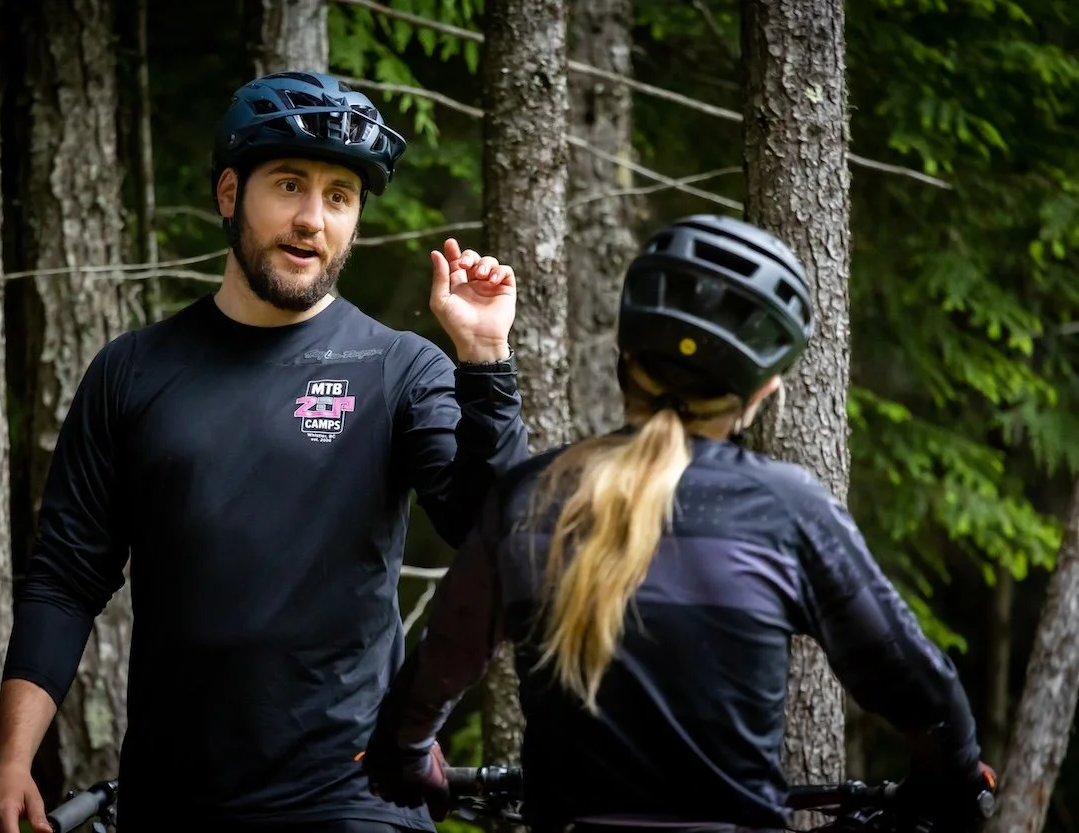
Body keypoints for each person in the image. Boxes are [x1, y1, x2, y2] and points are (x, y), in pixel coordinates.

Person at [0, 71, 530, 833]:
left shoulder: (401, 368)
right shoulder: (132, 372)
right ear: (231, 193)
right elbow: (65, 580)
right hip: (173, 801)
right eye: (291, 185)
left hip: (355, 800)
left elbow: (489, 531)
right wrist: (11, 763)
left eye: (339, 197)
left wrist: (486, 359)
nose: (312, 219)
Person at [362, 215, 996, 833]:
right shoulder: (788, 510)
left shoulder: (533, 497)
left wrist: (407, 761)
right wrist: (953, 782)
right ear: (764, 390)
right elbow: (919, 687)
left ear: (623, 354)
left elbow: (433, 676)